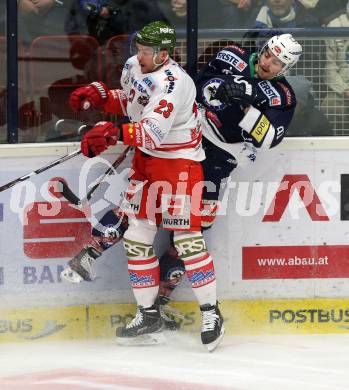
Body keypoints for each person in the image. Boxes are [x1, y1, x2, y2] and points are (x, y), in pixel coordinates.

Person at [62, 21, 224, 351]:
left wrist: (112, 133)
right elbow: (134, 103)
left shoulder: (175, 83)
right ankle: (148, 313)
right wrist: (103, 97)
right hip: (146, 165)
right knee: (136, 238)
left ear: (165, 53)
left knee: (188, 241)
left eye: (147, 51)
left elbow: (151, 132)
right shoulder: (135, 66)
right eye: (139, 48)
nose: (140, 55)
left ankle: (211, 312)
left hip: (179, 166)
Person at [321, 1, 349, 133]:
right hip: (342, 87)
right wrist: (345, 90)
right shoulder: (333, 25)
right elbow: (329, 67)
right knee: (329, 105)